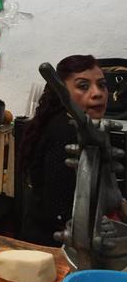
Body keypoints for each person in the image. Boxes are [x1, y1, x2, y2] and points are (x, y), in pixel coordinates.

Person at [19, 54, 108, 246]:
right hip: (50, 245)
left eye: (101, 85)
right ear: (61, 92)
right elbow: (59, 208)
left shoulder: (82, 127)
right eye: (83, 86)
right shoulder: (65, 131)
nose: (97, 93)